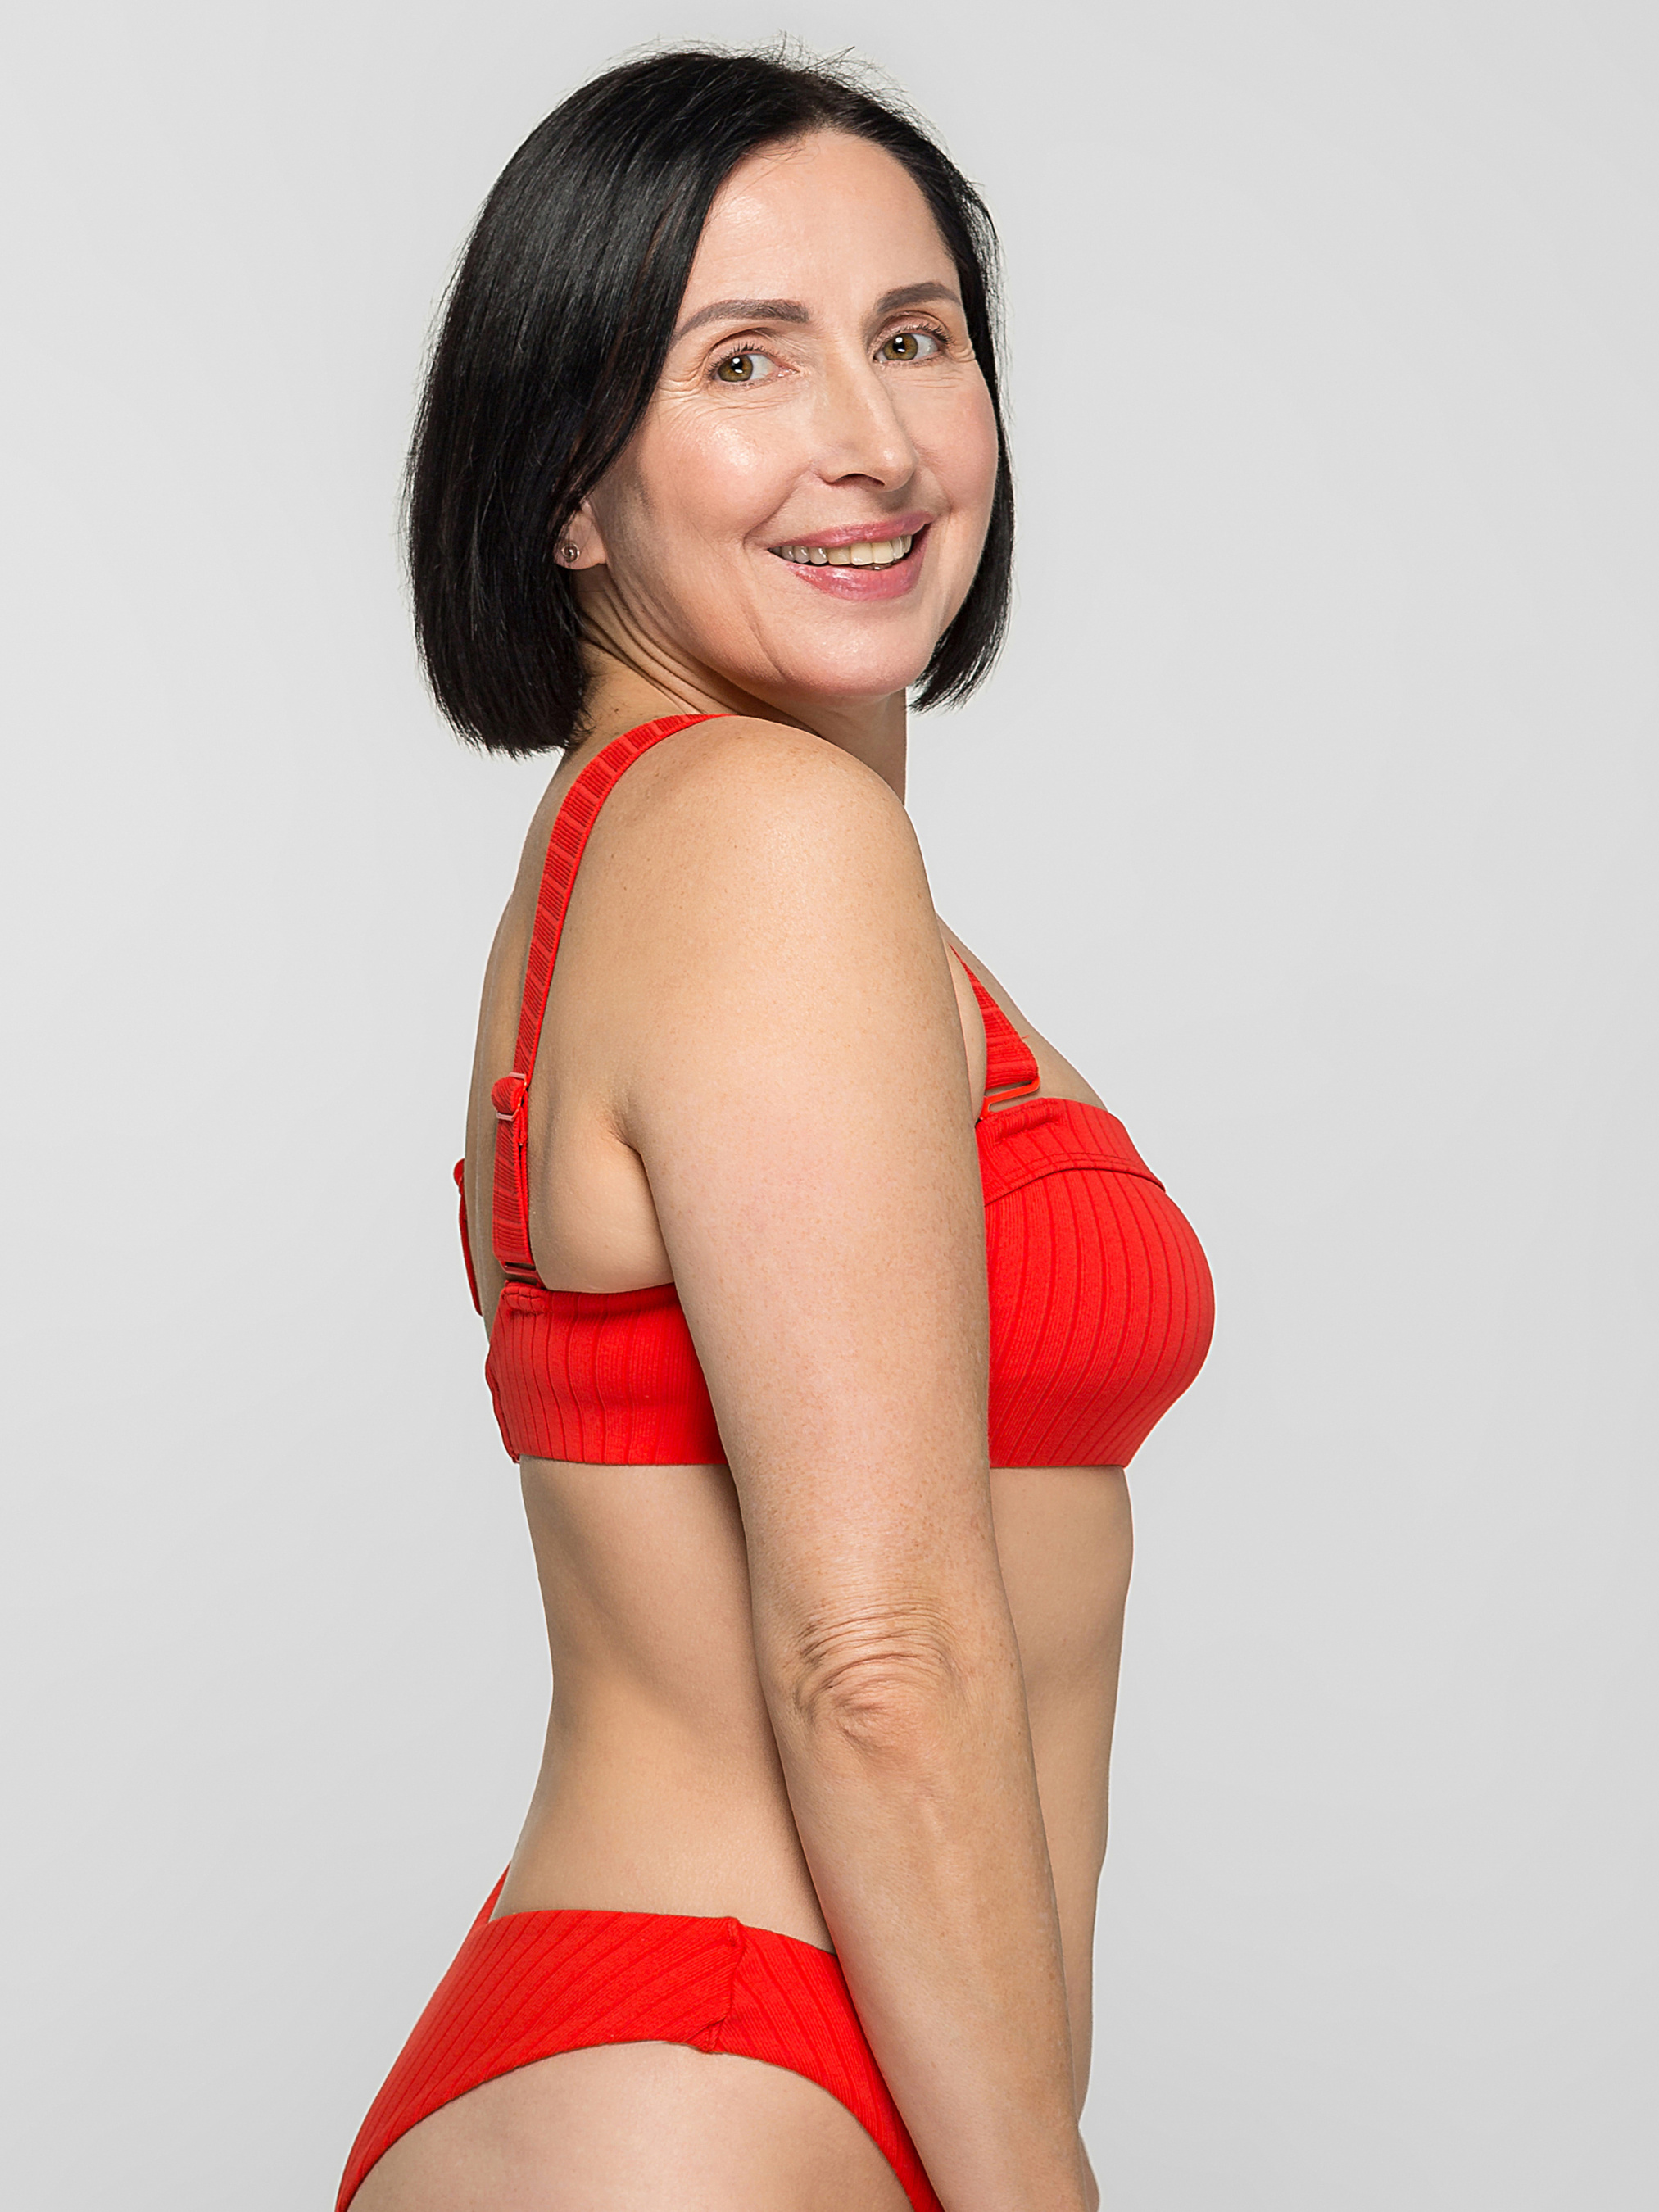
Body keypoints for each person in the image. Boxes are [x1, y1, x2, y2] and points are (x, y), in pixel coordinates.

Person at [339, 46, 1213, 2212]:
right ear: (569, 487)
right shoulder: (761, 843)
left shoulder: (653, 848)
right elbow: (874, 1655)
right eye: (745, 360)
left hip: (724, 2064)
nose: (873, 440)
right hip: (717, 2086)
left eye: (914, 337)